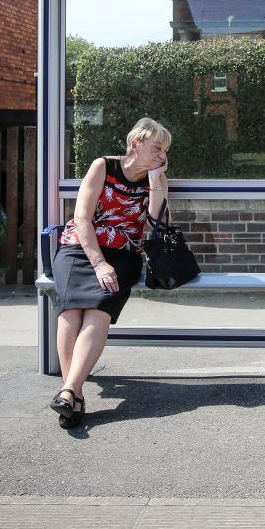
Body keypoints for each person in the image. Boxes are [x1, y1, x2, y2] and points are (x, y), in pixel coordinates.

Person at [48, 117, 170, 428]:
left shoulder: (157, 179)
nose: (161, 154)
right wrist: (98, 263)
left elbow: (155, 227)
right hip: (80, 247)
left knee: (98, 312)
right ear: (135, 144)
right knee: (71, 311)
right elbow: (82, 218)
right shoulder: (103, 166)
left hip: (123, 253)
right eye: (156, 147)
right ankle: (71, 392)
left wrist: (156, 179)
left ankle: (70, 394)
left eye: (164, 150)